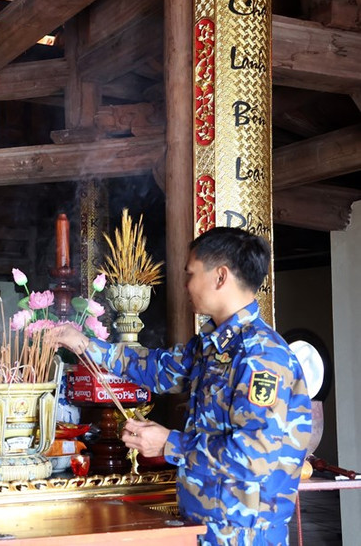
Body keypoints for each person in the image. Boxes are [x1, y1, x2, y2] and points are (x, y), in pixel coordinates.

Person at [55, 227, 312, 546]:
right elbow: (159, 369)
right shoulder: (215, 346)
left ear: (220, 277)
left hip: (242, 534)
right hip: (205, 524)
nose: (186, 284)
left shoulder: (262, 357)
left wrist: (169, 444)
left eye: (191, 274)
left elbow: (254, 457)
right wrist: (84, 344)